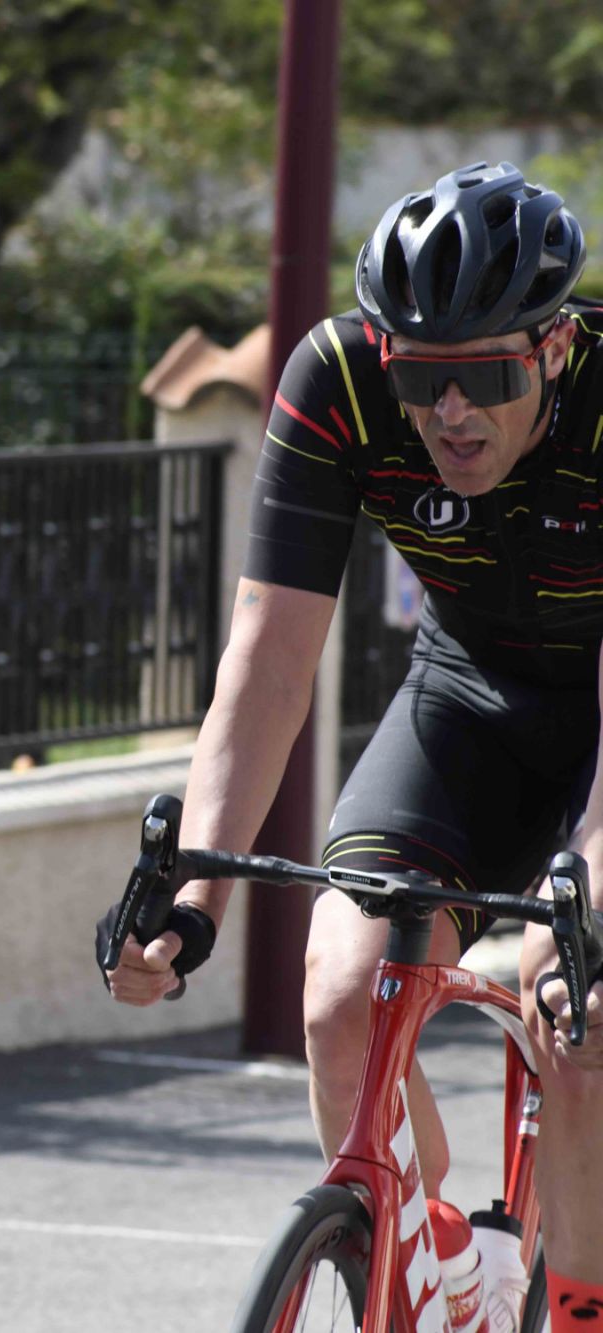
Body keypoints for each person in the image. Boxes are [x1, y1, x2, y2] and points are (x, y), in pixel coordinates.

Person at [102, 161, 603, 1331]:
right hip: (466, 699)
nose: (450, 413)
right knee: (339, 996)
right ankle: (443, 1271)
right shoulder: (333, 382)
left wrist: (586, 899)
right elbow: (267, 662)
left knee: (570, 1002)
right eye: (420, 378)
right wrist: (193, 897)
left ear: (553, 349)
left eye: (484, 376)